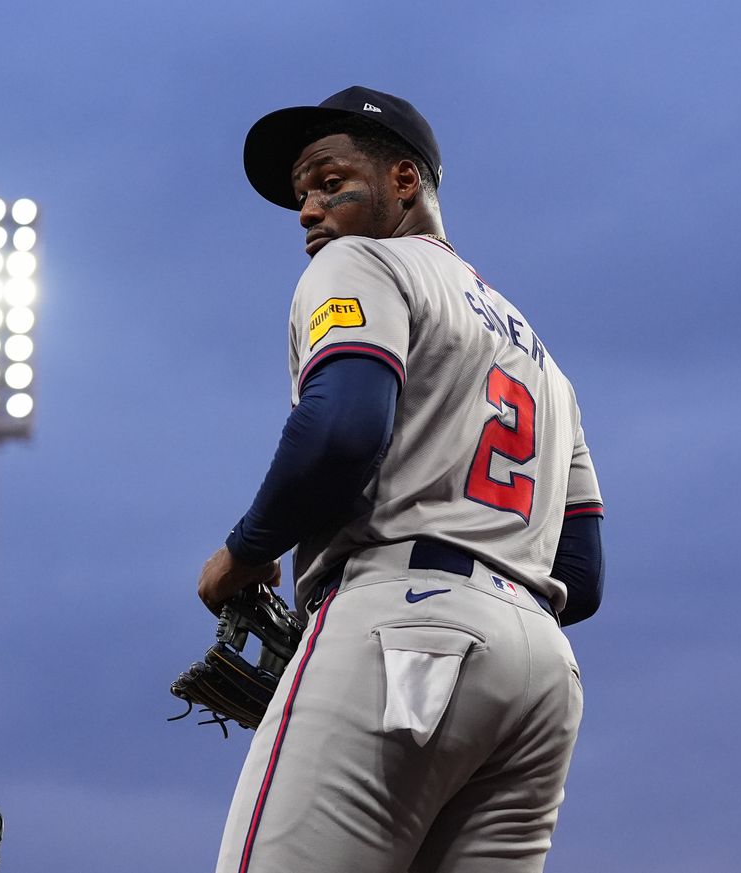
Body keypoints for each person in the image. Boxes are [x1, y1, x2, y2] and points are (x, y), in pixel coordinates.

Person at [196, 86, 605, 873]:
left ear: (404, 181)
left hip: (400, 623)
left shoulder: (363, 260)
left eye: (329, 179)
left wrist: (247, 550)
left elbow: (342, 428)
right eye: (301, 195)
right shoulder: (545, 363)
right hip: (543, 678)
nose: (309, 209)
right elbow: (580, 577)